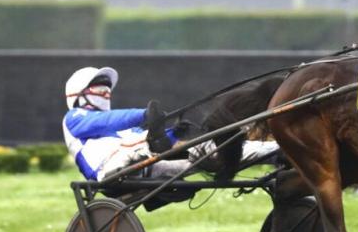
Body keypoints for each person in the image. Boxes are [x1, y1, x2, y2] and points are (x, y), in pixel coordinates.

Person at [62, 66, 278, 182]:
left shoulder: (118, 128)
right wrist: (143, 115)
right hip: (110, 169)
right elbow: (105, 121)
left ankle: (276, 150)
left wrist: (173, 134)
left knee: (212, 150)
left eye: (107, 90)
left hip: (149, 164)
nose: (106, 94)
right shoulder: (74, 118)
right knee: (140, 145)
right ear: (78, 96)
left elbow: (136, 133)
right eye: (100, 91)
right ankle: (153, 145)